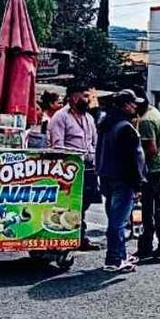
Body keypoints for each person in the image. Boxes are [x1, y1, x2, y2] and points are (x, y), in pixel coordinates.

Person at [95, 90, 146, 272]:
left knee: (114, 218)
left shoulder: (106, 124)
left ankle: (120, 254)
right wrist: (138, 183)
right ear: (125, 105)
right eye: (133, 103)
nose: (135, 106)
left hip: (106, 176)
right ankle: (114, 259)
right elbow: (133, 159)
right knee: (118, 221)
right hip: (123, 179)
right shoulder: (126, 128)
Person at [47, 84, 100, 251]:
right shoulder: (60, 117)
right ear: (74, 97)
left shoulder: (89, 118)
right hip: (69, 170)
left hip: (89, 169)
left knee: (84, 203)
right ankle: (66, 237)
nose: (88, 100)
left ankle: (79, 236)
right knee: (69, 203)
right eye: (85, 96)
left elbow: (94, 142)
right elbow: (58, 146)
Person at [135, 96, 160, 261]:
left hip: (151, 169)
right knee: (154, 208)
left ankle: (148, 247)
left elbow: (150, 149)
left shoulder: (146, 121)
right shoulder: (154, 111)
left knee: (147, 212)